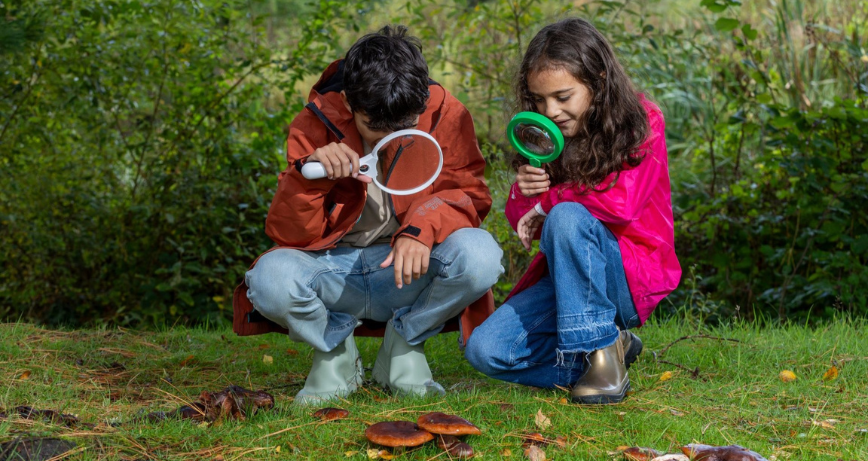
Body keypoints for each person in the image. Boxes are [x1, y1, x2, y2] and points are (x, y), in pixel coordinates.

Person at [234, 25, 503, 405]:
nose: (389, 139)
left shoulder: (445, 113)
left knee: (481, 255)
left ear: (421, 101)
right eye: (375, 128)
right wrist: (311, 179)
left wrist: (419, 226)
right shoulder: (315, 121)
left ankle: (404, 345)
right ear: (347, 102)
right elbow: (288, 235)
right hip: (332, 269)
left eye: (404, 127)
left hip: (402, 268)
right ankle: (335, 352)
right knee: (268, 278)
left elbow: (471, 197)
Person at [465, 18, 681, 404]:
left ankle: (603, 361)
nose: (551, 110)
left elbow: (622, 203)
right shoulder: (545, 135)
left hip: (629, 273)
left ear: (598, 82)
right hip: (572, 278)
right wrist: (524, 193)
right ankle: (607, 350)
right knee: (485, 350)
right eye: (539, 99)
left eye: (563, 97)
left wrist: (549, 202)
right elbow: (527, 227)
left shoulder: (642, 122)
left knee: (566, 216)